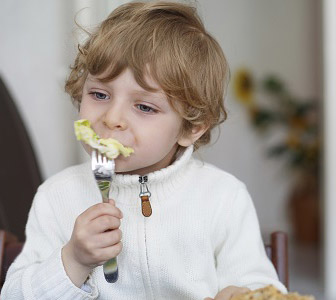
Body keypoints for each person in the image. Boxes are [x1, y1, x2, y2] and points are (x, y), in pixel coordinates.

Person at [1, 2, 287, 299]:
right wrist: (73, 260)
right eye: (99, 94)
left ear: (192, 128)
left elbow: (262, 287)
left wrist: (239, 293)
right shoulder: (56, 198)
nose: (112, 119)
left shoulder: (224, 198)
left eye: (144, 106)